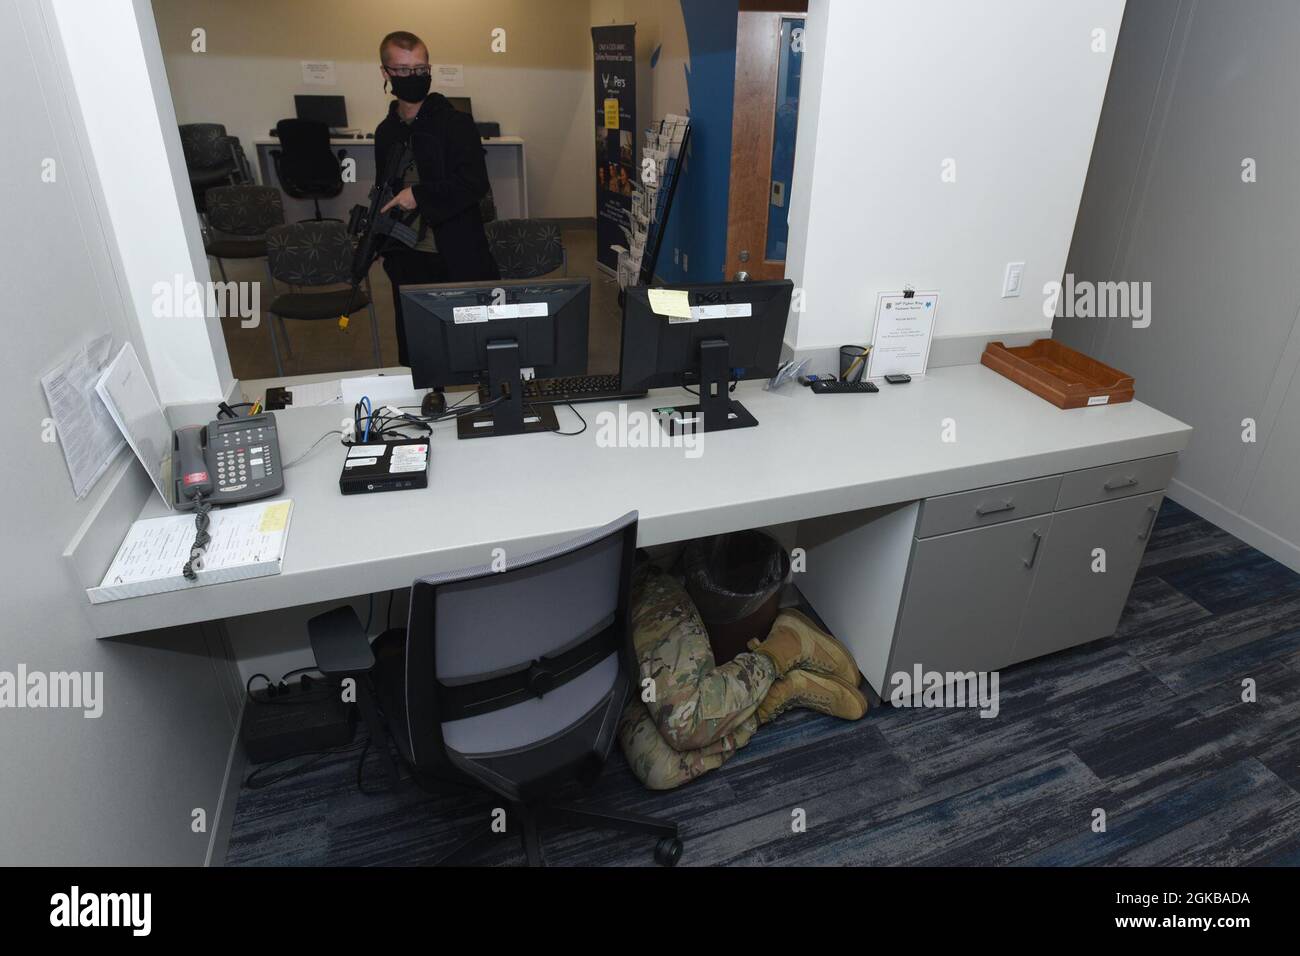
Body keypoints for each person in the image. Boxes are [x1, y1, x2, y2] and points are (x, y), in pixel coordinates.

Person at [619, 563, 868, 790]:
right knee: (660, 770)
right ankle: (773, 695)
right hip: (607, 672)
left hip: (629, 591)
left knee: (685, 722)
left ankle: (785, 647)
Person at [373, 30, 499, 368]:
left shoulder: (455, 124)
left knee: (478, 347)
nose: (413, 77)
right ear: (386, 73)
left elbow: (474, 183)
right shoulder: (386, 132)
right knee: (421, 350)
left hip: (458, 252)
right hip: (407, 256)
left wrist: (419, 195)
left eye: (420, 68)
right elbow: (383, 189)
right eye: (403, 70)